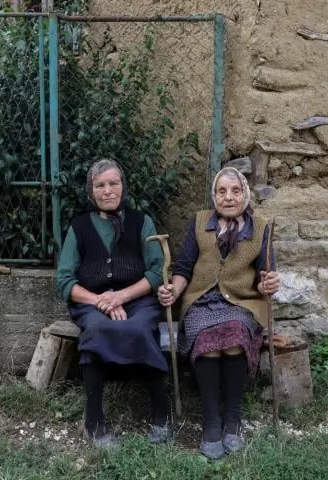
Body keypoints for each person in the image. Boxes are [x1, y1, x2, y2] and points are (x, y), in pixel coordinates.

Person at [158, 166, 280, 460]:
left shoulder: (260, 227)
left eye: (235, 191)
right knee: (207, 341)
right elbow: (184, 266)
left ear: (245, 195)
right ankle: (212, 421)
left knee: (236, 335)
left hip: (241, 302)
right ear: (214, 196)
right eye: (222, 191)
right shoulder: (200, 222)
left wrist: (270, 282)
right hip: (201, 300)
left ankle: (233, 417)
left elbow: (267, 271)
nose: (228, 197)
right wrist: (173, 290)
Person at [56, 158, 172, 449]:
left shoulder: (141, 222)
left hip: (138, 301)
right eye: (100, 185)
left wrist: (121, 296)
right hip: (91, 304)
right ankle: (93, 420)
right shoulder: (79, 227)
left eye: (113, 183)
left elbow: (157, 271)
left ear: (123, 186)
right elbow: (65, 280)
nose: (108, 191)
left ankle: (162, 412)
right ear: (90, 191)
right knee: (94, 330)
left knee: (139, 329)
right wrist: (101, 301)